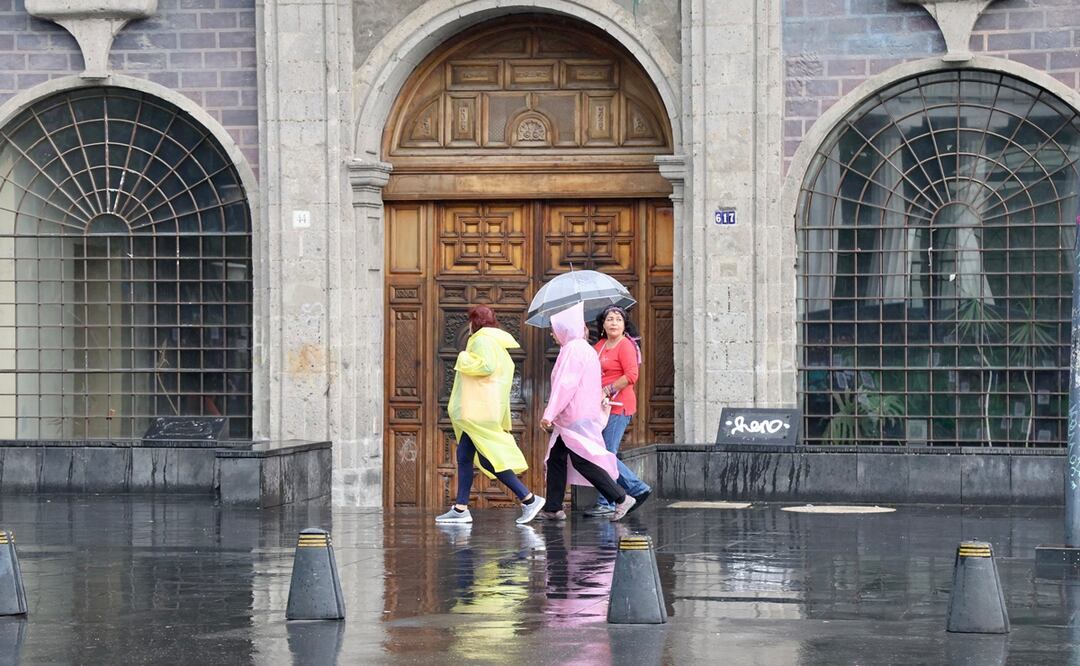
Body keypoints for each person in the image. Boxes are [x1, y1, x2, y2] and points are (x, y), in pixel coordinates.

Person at [436, 305, 545, 525]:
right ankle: (461, 508)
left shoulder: (482, 340)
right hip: (483, 408)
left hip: (478, 410)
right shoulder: (496, 342)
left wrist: (463, 357)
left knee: (487, 458)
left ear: (474, 322)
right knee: (466, 455)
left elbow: (486, 367)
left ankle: (529, 499)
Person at [539, 302, 636, 522]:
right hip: (578, 414)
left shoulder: (573, 350)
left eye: (555, 329)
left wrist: (549, 413)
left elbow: (565, 385)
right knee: (556, 457)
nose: (553, 334)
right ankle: (553, 507)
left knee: (582, 459)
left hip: (574, 415)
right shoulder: (584, 348)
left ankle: (621, 498)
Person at [585, 305, 653, 517]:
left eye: (618, 319)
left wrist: (608, 389)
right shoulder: (600, 346)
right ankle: (613, 498)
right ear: (603, 325)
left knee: (606, 453)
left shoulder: (626, 345)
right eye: (609, 319)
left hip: (619, 405)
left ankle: (621, 495)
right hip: (600, 406)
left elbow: (632, 375)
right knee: (601, 453)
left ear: (624, 325)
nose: (613, 323)